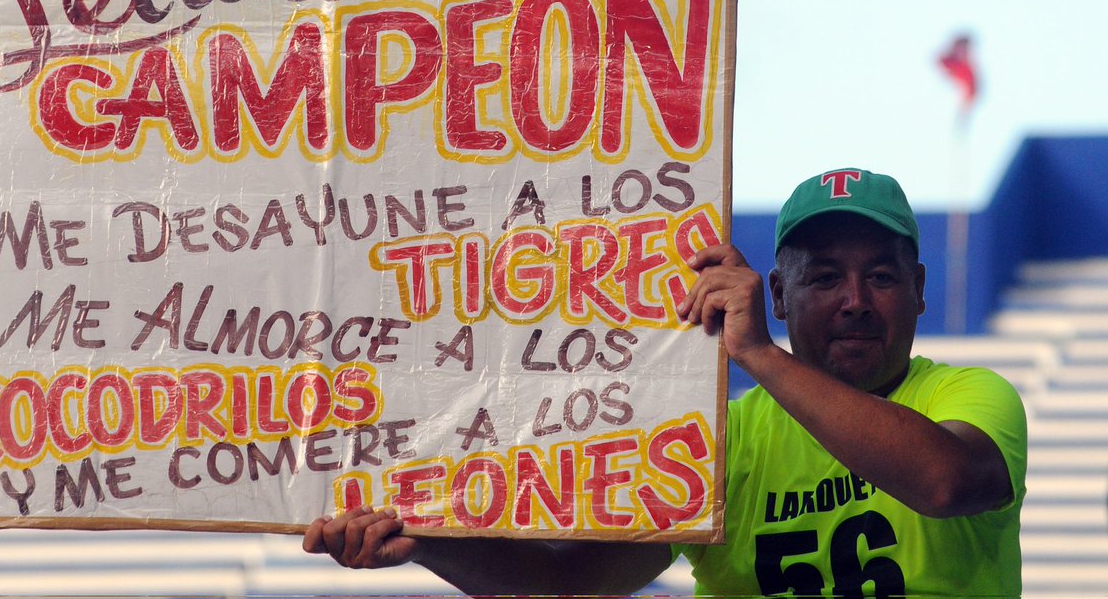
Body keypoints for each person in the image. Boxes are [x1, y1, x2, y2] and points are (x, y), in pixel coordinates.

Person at [303, 168, 1027, 597]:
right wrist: (424, 542)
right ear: (779, 293)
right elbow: (569, 585)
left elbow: (942, 481)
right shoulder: (722, 437)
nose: (855, 300)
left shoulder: (971, 396)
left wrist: (763, 357)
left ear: (921, 289)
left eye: (882, 275)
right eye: (825, 277)